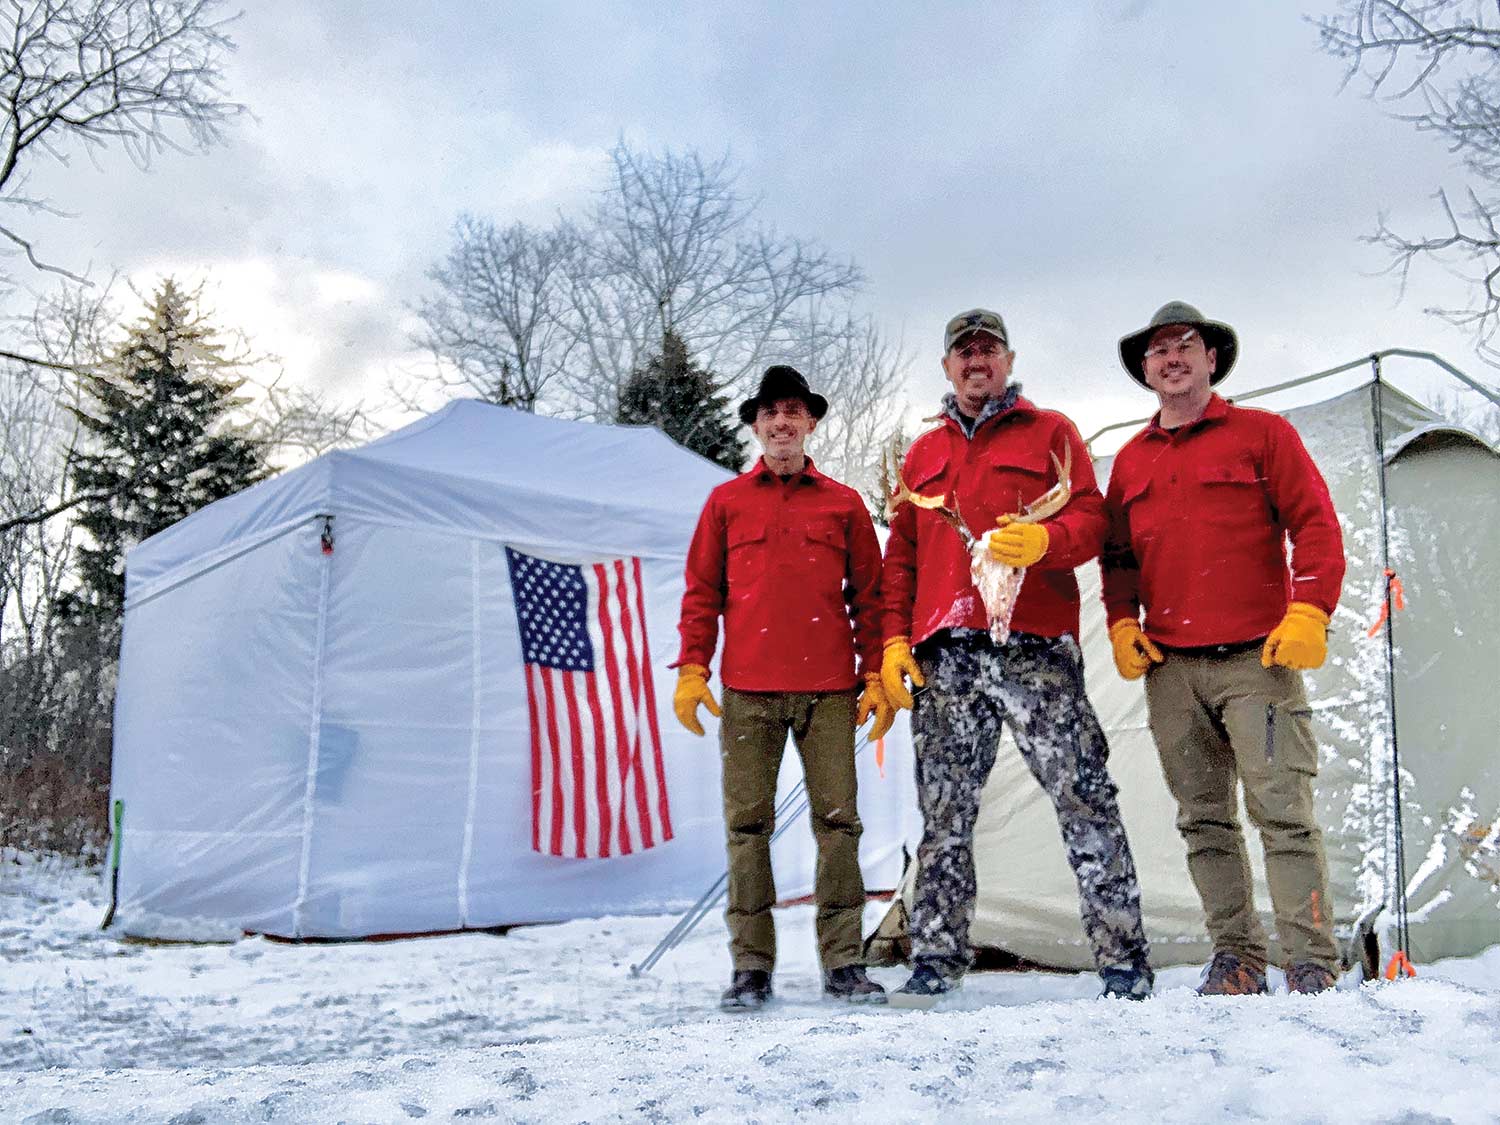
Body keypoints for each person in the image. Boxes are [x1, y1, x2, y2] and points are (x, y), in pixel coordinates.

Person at [880, 309, 1152, 1008]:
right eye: (964, 352)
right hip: (949, 655)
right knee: (944, 814)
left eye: (989, 350)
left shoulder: (1052, 432)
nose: (977, 362)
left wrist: (1045, 541)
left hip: (1034, 647)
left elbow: (1091, 519)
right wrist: (891, 642)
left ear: (1008, 359)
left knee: (1083, 796)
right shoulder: (921, 454)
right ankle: (937, 956)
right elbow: (901, 557)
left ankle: (1123, 958)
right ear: (947, 367)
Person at [1102, 301, 1346, 996]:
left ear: (1213, 358)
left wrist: (1309, 610)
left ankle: (1310, 961)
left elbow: (1316, 525)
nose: (1171, 357)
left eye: (1185, 344)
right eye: (1157, 350)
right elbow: (1117, 558)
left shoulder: (1263, 435)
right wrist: (1122, 622)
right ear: (1145, 370)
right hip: (1172, 669)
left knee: (1284, 814)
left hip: (1258, 662)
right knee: (1203, 818)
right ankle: (1237, 956)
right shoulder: (1130, 461)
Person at [673, 364, 893, 1012]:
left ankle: (844, 961)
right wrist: (693, 668)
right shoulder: (726, 503)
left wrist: (877, 670)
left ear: (810, 422)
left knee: (838, 826)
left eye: (793, 411)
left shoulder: (844, 503)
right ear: (756, 425)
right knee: (747, 829)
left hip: (830, 691)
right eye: (770, 413)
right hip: (747, 692)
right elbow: (701, 594)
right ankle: (751, 966)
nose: (782, 422)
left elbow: (872, 599)